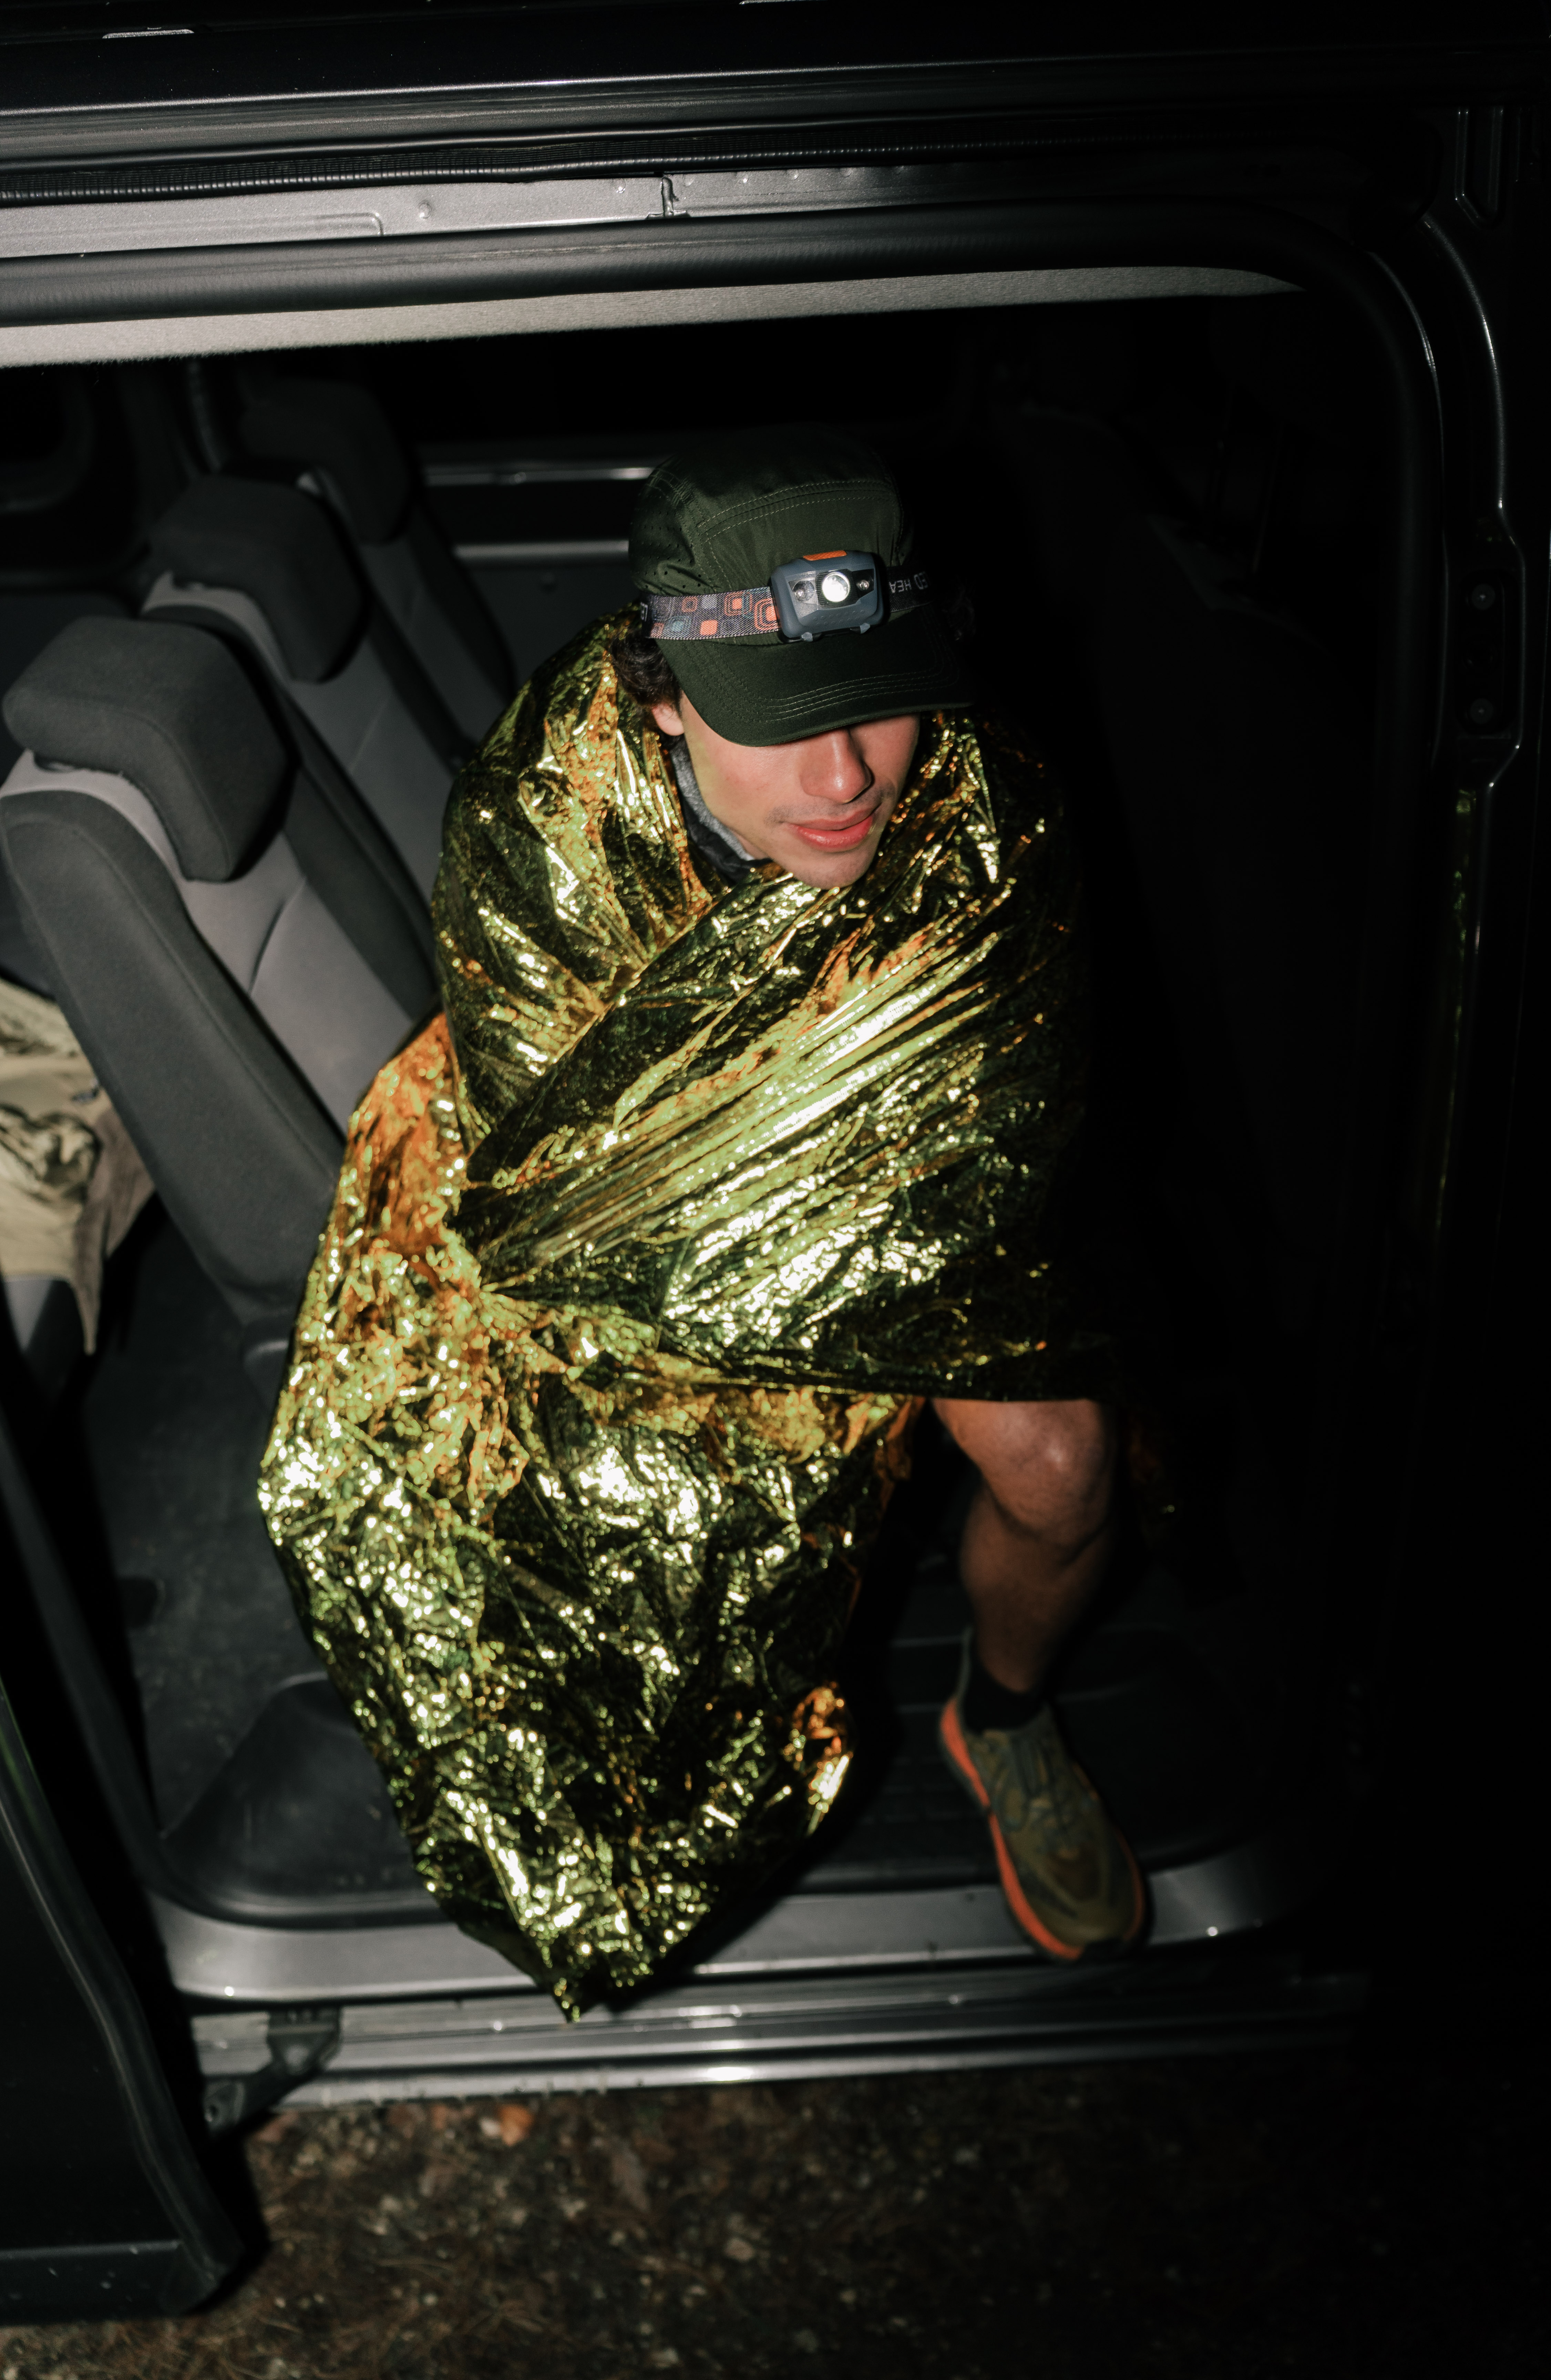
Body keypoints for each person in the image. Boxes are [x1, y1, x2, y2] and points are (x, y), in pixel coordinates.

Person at [260, 425, 1143, 2017]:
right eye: (778, 720)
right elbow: (589, 1199)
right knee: (632, 1514)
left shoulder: (983, 793)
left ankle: (1005, 1716)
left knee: (1066, 1467)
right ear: (666, 693)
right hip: (570, 1222)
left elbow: (1006, 1100)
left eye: (875, 701)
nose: (844, 777)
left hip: (894, 1199)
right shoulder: (541, 818)